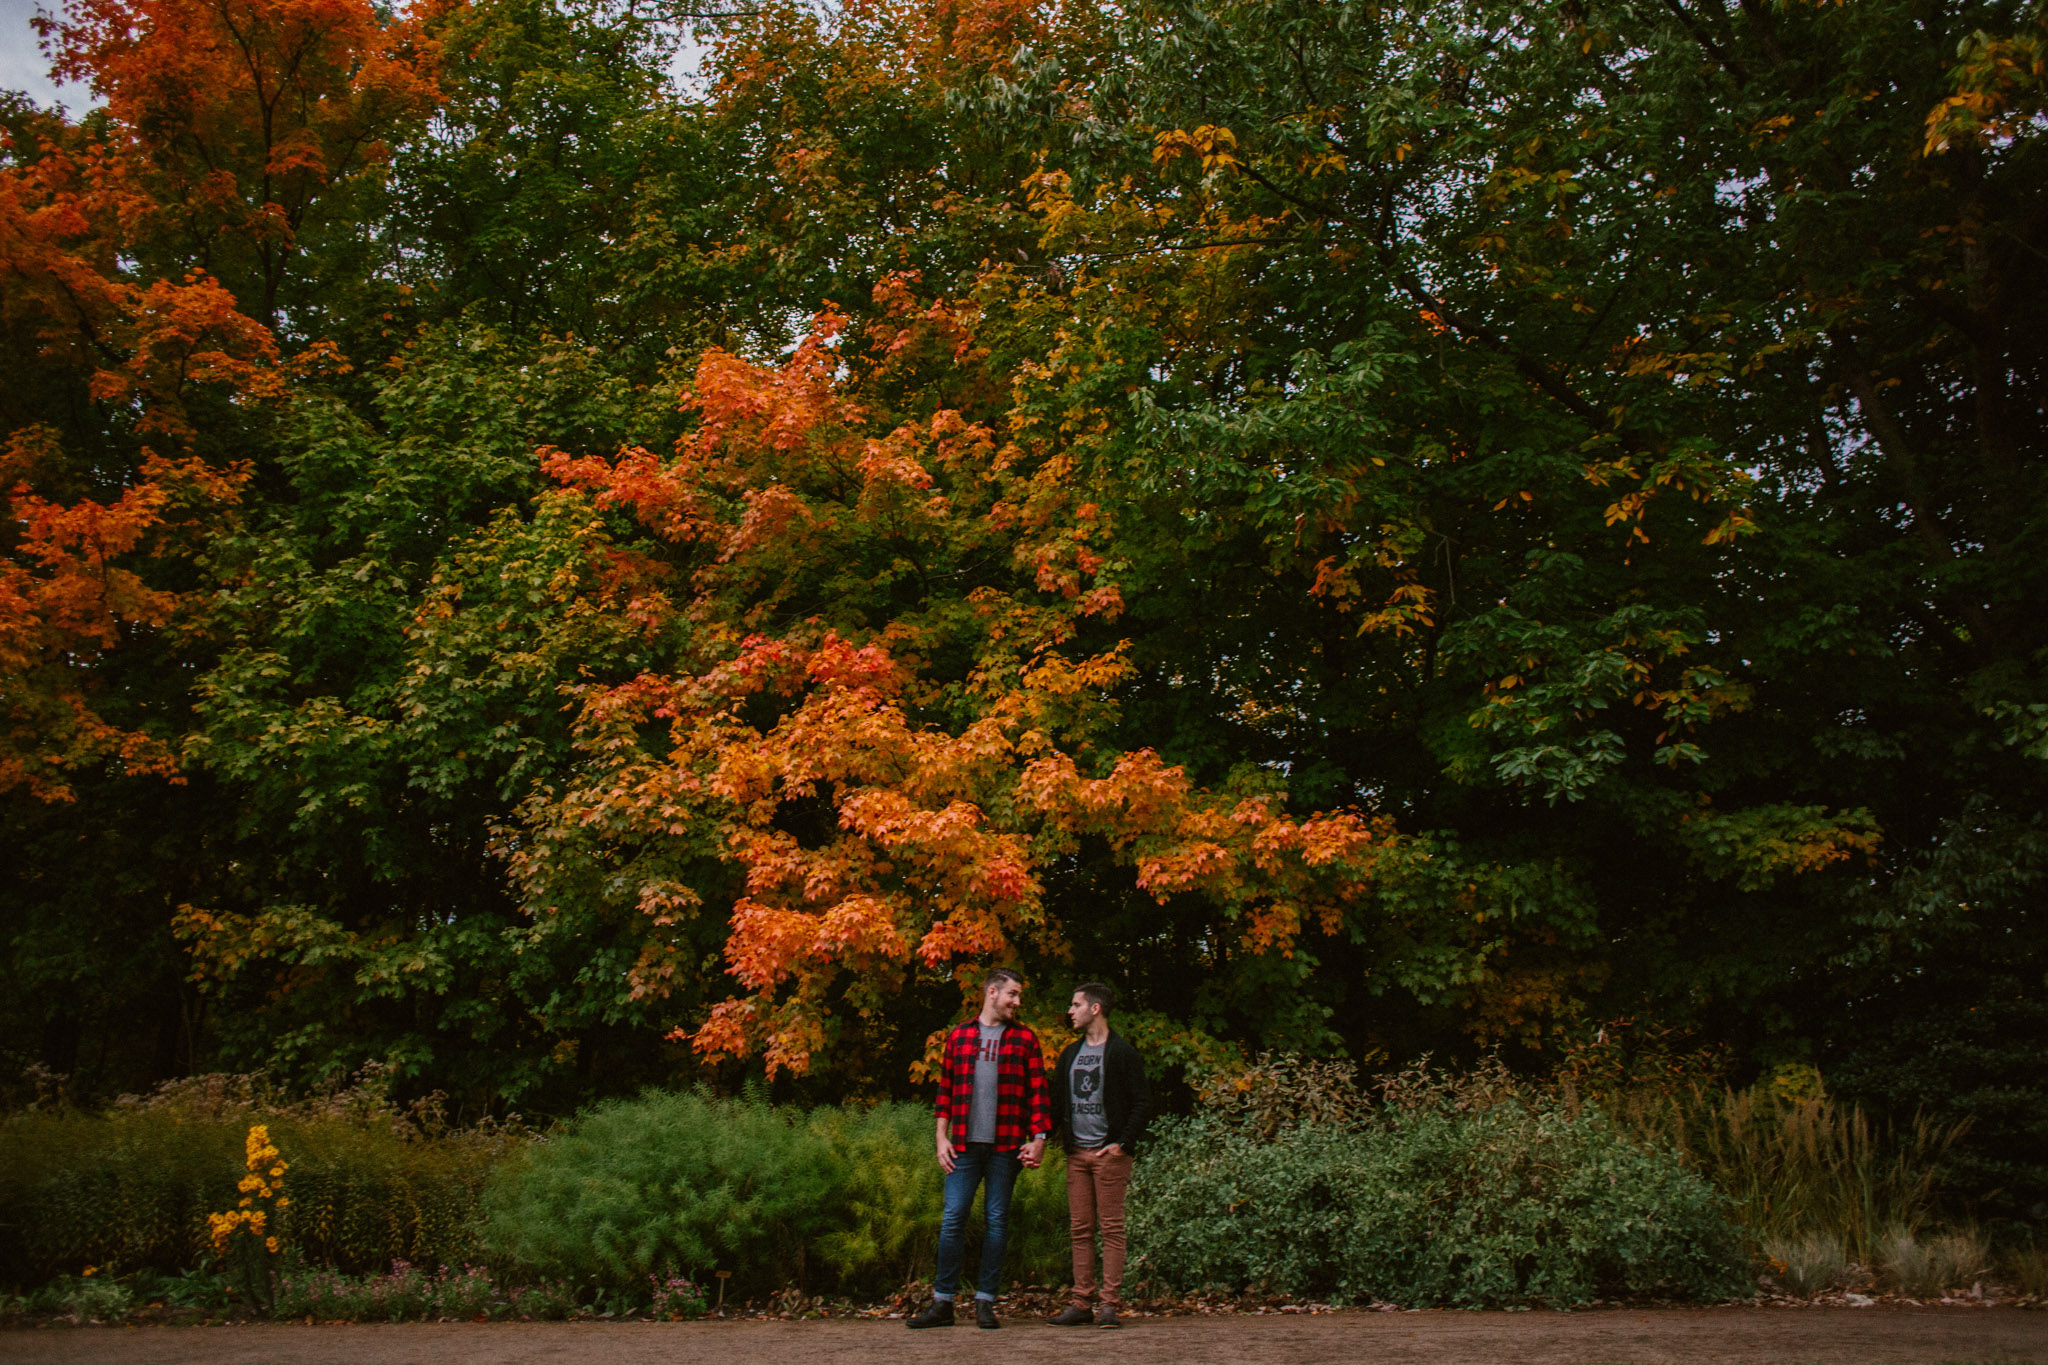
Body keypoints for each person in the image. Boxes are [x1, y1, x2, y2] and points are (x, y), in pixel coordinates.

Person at [907, 967, 1051, 1330]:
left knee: (996, 1222)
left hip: (1006, 1148)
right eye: (1012, 995)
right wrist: (941, 1138)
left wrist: (1039, 1140)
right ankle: (943, 1304)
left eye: (1018, 996)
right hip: (963, 1148)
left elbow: (1038, 1093)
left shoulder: (1025, 1039)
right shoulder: (960, 1035)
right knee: (953, 1219)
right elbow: (944, 1091)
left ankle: (986, 1302)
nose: (1017, 1002)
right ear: (991, 992)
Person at [1045, 981, 1152, 1329]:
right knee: (1080, 1229)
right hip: (1077, 1154)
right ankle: (1081, 1302)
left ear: (1095, 1009)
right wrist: (1039, 1138)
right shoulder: (1069, 1055)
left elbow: (1143, 1102)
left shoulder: (1122, 1052)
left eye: (1076, 1005)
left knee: (1112, 1229)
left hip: (1109, 1154)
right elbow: (1054, 1105)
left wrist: (1122, 1143)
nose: (1070, 1011)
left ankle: (1109, 1305)